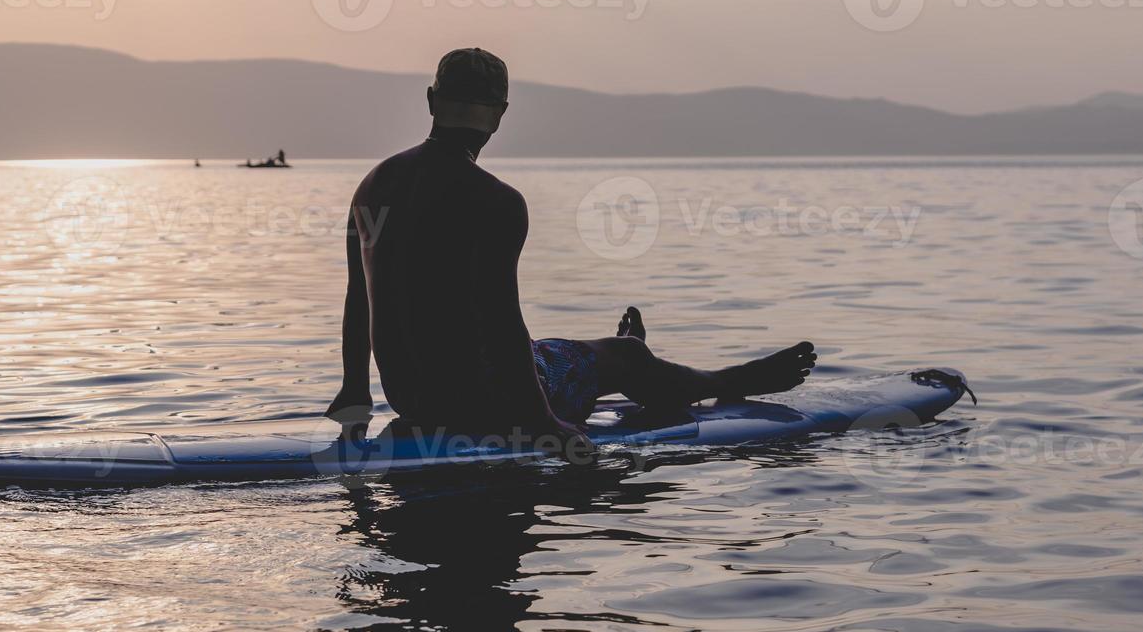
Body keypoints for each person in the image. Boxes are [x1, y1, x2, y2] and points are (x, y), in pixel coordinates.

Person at [326, 47, 816, 455]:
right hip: (484, 404)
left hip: (412, 399)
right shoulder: (495, 200)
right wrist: (540, 422)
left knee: (558, 352)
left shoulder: (374, 185)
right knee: (622, 357)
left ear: (432, 100)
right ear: (500, 113)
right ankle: (726, 380)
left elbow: (358, 301)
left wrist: (354, 399)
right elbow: (500, 322)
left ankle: (620, 358)